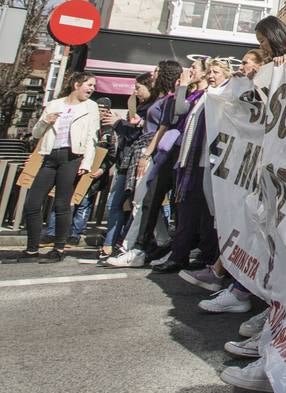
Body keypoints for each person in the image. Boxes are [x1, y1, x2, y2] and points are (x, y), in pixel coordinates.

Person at [109, 60, 202, 268]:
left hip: (175, 151)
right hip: (166, 150)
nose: (153, 74)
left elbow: (167, 123)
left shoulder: (188, 95)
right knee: (148, 199)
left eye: (158, 71)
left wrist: (147, 153)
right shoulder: (172, 95)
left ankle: (154, 247)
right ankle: (144, 246)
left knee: (166, 202)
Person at [151, 58, 233, 274]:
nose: (211, 76)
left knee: (206, 214)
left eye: (216, 72)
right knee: (188, 210)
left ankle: (203, 256)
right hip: (193, 160)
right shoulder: (203, 96)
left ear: (226, 75)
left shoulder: (224, 95)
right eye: (210, 72)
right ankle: (181, 254)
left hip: (210, 161)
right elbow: (180, 110)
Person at [18, 72, 99, 262]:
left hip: (71, 157)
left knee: (62, 204)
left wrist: (86, 163)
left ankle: (59, 249)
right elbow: (37, 133)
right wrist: (46, 121)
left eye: (93, 86)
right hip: (49, 156)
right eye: (89, 84)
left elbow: (92, 138)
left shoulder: (91, 107)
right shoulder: (56, 104)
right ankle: (31, 249)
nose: (92, 88)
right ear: (76, 84)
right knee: (32, 203)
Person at [101, 72, 153, 255]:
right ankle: (111, 242)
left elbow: (138, 135)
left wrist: (118, 123)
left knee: (133, 203)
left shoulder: (152, 109)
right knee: (117, 204)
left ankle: (124, 243)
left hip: (138, 160)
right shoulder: (140, 107)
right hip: (125, 160)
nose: (135, 91)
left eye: (138, 87)